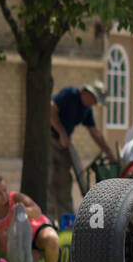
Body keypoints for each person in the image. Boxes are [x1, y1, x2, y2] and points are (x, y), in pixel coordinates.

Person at [0, 164, 70, 262]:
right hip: (22, 244)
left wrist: (25, 210)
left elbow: (37, 211)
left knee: (51, 239)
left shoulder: (16, 198)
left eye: (5, 190)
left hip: (37, 231)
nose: (4, 195)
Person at [49, 81, 116, 220]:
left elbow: (94, 132)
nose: (94, 103)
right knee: (47, 181)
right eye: (94, 99)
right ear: (87, 92)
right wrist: (61, 132)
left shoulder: (86, 110)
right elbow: (51, 109)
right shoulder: (70, 94)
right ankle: (47, 221)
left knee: (64, 182)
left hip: (64, 144)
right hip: (49, 139)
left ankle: (65, 224)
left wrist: (108, 151)